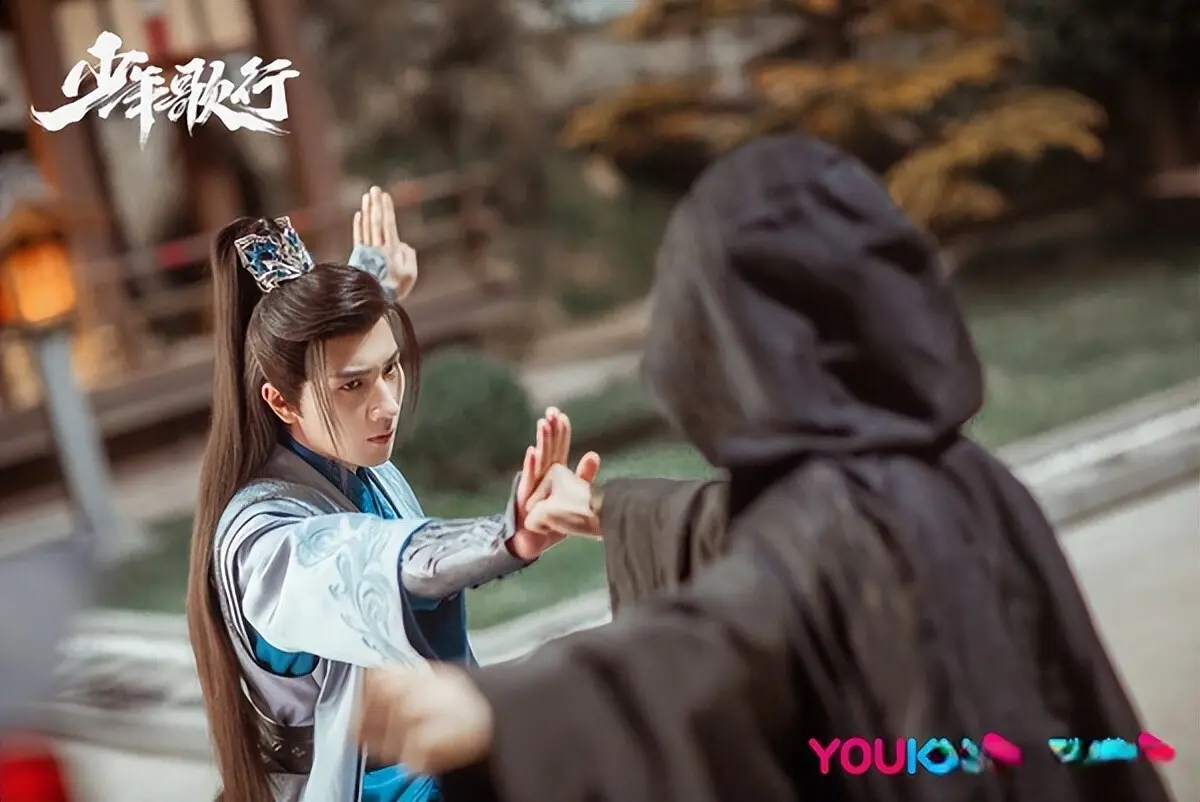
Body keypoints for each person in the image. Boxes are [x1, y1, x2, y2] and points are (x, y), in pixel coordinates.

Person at [354, 136, 1173, 802]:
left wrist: (498, 716)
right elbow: (770, 550)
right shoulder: (968, 479)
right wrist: (601, 509)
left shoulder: (829, 526)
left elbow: (716, 645)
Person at [185, 186, 600, 802]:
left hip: (429, 756)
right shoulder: (262, 542)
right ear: (280, 401)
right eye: (353, 386)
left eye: (391, 368)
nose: (386, 404)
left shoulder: (348, 455)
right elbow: (367, 564)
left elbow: (337, 352)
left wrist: (372, 280)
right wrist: (506, 534)